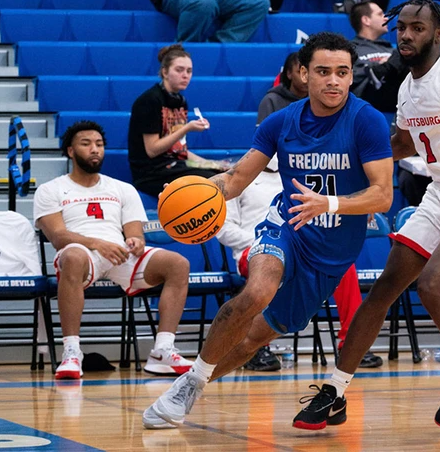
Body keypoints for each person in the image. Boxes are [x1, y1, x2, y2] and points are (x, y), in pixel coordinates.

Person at [142, 32, 393, 429]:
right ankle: (189, 386)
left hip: (331, 254)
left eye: (342, 72)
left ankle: (195, 380)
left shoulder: (367, 121)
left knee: (254, 338)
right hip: (285, 228)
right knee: (257, 291)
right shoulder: (280, 122)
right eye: (323, 71)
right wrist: (192, 189)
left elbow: (382, 196)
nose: (333, 81)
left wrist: (327, 204)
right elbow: (237, 180)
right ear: (303, 74)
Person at [293, 0, 440, 430]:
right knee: (384, 290)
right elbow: (406, 144)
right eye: (401, 28)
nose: (407, 35)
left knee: (432, 285)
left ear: (437, 34)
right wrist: (343, 159)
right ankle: (335, 391)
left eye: (416, 28)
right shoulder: (409, 89)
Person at [34, 121, 193, 379]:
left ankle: (162, 351)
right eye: (86, 144)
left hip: (119, 254)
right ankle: (72, 353)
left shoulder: (122, 188)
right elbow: (58, 237)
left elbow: (134, 233)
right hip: (82, 254)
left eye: (99, 144)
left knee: (178, 263)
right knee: (72, 256)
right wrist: (98, 244)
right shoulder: (50, 189)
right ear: (71, 151)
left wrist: (135, 242)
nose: (94, 149)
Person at [216, 156, 384, 370]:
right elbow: (224, 228)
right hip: (253, 248)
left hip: (298, 245)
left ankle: (350, 343)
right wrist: (265, 240)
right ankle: (259, 348)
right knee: (271, 262)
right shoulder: (239, 176)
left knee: (344, 266)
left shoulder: (299, 176)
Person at [128, 44, 227, 199]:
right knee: (211, 183)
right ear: (165, 72)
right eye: (179, 70)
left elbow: (178, 151)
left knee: (223, 174)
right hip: (151, 173)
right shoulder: (149, 101)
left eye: (189, 71)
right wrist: (186, 128)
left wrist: (213, 164)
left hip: (175, 166)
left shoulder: (180, 101)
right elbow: (152, 149)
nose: (185, 75)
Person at [349, 1, 409, 112]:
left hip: (399, 94)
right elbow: (352, 77)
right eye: (380, 14)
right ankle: (378, 72)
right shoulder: (351, 50)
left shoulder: (391, 49)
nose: (386, 18)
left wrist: (387, 63)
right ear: (366, 20)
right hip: (369, 97)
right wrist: (378, 65)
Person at [257, 52, 308, 124]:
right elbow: (262, 134)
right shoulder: (271, 101)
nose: (305, 78)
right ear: (289, 73)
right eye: (300, 72)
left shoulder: (318, 100)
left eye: (308, 72)